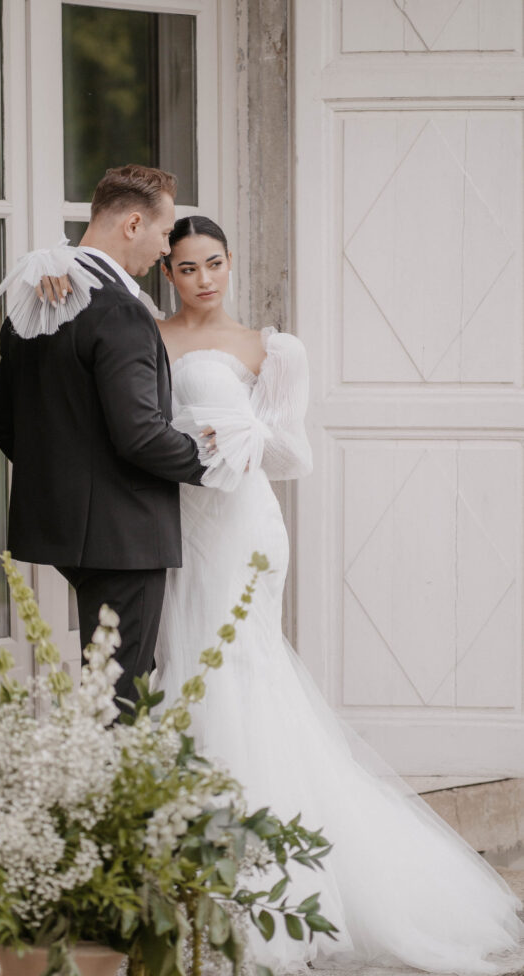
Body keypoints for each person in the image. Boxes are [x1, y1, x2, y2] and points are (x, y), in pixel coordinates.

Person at [155, 215, 524, 974]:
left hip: (243, 528)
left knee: (241, 675)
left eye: (213, 263)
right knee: (180, 665)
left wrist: (244, 436)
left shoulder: (269, 348)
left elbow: (295, 455)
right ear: (168, 273)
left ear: (230, 261)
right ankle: (179, 872)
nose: (203, 280)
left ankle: (260, 885)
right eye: (187, 268)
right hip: (175, 524)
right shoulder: (147, 337)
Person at [0, 165, 210, 707]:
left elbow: (4, 424)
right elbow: (141, 435)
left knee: (105, 684)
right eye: (164, 233)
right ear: (133, 224)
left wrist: (69, 483)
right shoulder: (119, 309)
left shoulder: (35, 299)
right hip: (125, 537)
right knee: (119, 697)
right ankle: (106, 767)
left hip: (66, 530)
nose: (166, 249)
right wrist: (210, 458)